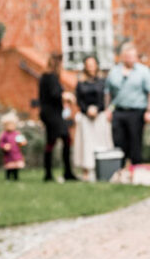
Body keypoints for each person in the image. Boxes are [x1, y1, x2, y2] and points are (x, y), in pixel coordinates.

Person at [105, 42, 150, 166]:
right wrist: (108, 109)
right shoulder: (114, 71)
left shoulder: (143, 71)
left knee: (135, 141)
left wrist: (149, 111)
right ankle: (120, 168)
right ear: (122, 56)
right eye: (127, 56)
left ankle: (136, 168)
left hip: (136, 112)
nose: (129, 58)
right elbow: (107, 92)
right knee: (118, 141)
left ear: (136, 57)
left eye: (132, 56)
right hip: (118, 111)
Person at [39, 53, 77, 182]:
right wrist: (67, 96)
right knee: (65, 139)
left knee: (51, 142)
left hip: (48, 113)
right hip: (52, 114)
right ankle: (66, 172)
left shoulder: (44, 77)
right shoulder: (51, 77)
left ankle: (49, 173)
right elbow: (55, 94)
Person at [74, 55, 112, 181]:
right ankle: (86, 170)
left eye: (93, 64)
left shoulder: (102, 81)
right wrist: (87, 110)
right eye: (88, 64)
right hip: (86, 117)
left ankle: (102, 169)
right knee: (86, 143)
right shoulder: (80, 82)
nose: (90, 67)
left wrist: (98, 109)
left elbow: (106, 98)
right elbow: (78, 100)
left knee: (101, 142)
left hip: (99, 116)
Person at [0, 112, 27, 181]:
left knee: (16, 167)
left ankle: (16, 177)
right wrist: (4, 146)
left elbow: (21, 141)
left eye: (12, 124)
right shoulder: (4, 134)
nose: (10, 126)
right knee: (9, 167)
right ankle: (8, 178)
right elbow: (1, 143)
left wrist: (22, 142)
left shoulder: (17, 134)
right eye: (8, 125)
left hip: (16, 153)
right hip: (9, 154)